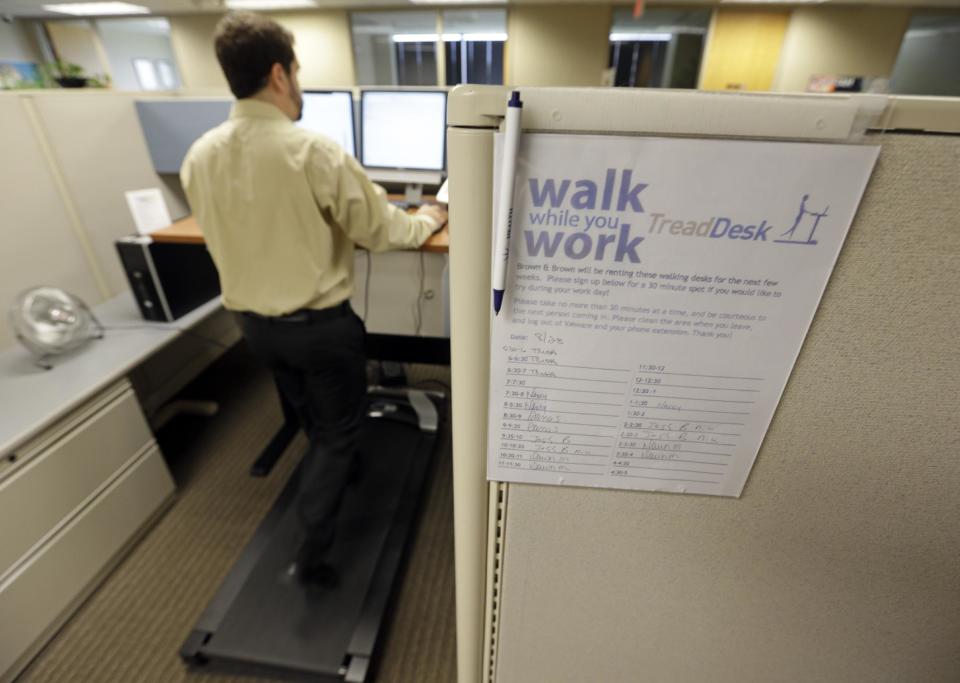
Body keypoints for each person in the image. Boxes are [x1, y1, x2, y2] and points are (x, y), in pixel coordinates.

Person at [180, 12, 447, 585]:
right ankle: (313, 552)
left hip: (252, 327)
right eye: (297, 72)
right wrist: (428, 216)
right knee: (339, 432)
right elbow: (383, 232)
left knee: (306, 411)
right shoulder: (312, 151)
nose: (298, 84)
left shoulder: (199, 154)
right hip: (320, 330)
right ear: (279, 75)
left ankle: (332, 470)